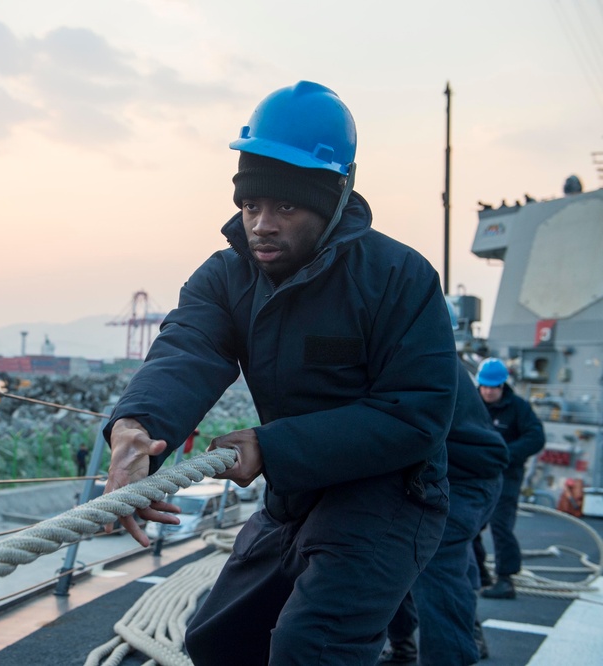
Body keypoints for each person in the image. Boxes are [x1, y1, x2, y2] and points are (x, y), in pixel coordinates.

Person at [103, 80, 458, 665]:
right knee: (217, 641)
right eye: (251, 205)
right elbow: (186, 349)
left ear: (333, 198)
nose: (261, 224)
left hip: (391, 494)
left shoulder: (399, 277)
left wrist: (271, 446)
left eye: (285, 207)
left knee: (310, 647)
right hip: (294, 493)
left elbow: (415, 413)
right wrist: (136, 427)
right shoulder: (224, 278)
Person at [380, 361, 508, 665]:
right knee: (389, 553)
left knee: (437, 559)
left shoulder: (414, 349)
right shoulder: (407, 341)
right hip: (441, 471)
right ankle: (403, 646)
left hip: (464, 478)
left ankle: (453, 651)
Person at [475, 357, 545, 600]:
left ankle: (505, 580)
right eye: (484, 386)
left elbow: (536, 438)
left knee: (501, 526)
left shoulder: (518, 408)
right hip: (475, 476)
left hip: (506, 477)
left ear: (502, 385)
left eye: (492, 387)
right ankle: (480, 574)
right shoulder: (471, 404)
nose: (487, 391)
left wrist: (505, 453)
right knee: (468, 526)